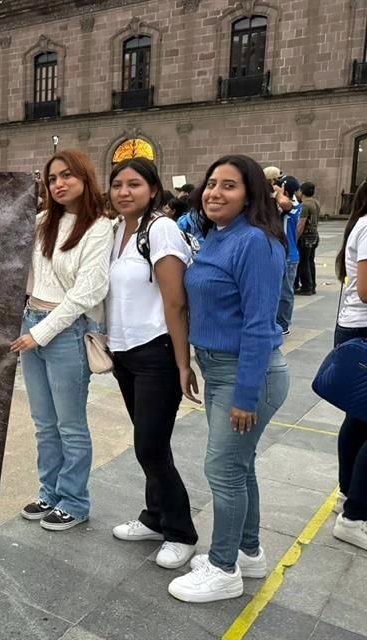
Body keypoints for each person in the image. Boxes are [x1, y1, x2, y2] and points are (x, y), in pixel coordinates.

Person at [168, 155, 289, 603]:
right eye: (211, 183)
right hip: (219, 367)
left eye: (229, 186)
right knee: (238, 467)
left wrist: (245, 395)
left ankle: (223, 569)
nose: (215, 192)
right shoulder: (219, 236)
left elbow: (260, 324)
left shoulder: (256, 242)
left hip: (246, 372)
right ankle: (248, 552)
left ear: (251, 194)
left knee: (221, 469)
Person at [10, 149, 114, 531]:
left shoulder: (99, 227)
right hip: (30, 325)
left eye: (67, 175)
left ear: (85, 179)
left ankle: (74, 500)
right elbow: (20, 274)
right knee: (43, 422)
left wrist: (41, 333)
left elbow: (89, 290)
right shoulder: (40, 223)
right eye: (52, 178)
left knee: (70, 424)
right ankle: (49, 492)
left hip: (65, 332)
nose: (59, 184)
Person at [106, 158, 199, 569]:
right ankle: (154, 516)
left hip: (156, 352)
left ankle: (181, 532)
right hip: (124, 352)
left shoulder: (160, 230)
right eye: (117, 184)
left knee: (150, 447)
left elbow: (175, 302)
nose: (124, 192)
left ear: (153, 188)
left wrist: (182, 363)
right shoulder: (115, 232)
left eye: (134, 184)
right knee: (149, 443)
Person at [331, 179, 367, 551]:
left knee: (358, 420)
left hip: (355, 326)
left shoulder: (361, 221)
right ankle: (356, 514)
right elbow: (366, 290)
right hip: (364, 328)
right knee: (361, 420)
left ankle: (348, 498)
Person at [275, 176, 301, 335]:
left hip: (289, 256)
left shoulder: (294, 205)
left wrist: (278, 192)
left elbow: (285, 203)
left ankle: (283, 324)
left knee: (285, 292)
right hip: (280, 254)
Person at [296, 182, 320, 295]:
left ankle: (306, 286)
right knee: (310, 260)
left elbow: (301, 224)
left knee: (303, 262)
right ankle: (312, 284)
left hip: (306, 235)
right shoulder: (316, 202)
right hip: (314, 234)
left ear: (301, 191)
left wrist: (296, 237)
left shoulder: (304, 205)